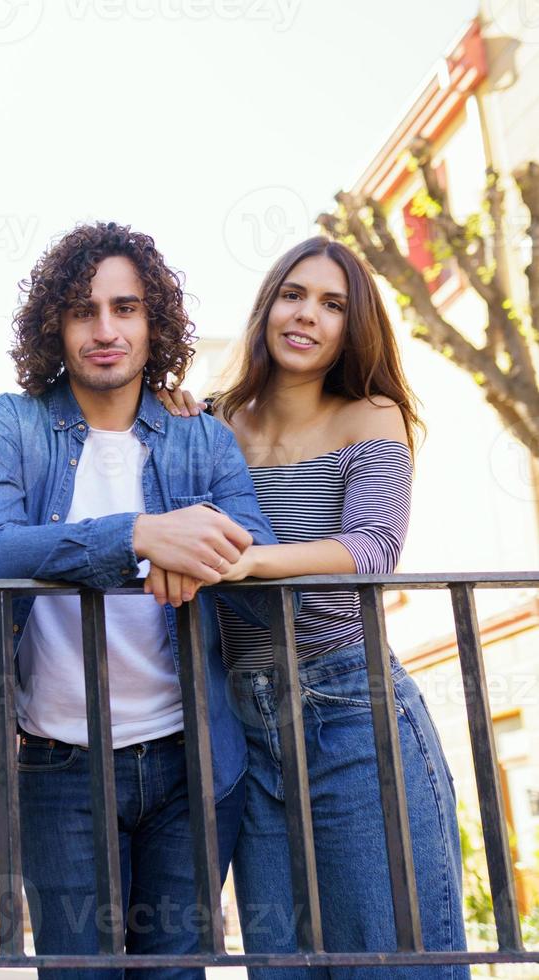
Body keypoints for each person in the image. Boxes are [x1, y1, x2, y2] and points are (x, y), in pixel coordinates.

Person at [0, 222, 281, 979]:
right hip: (58, 765)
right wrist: (139, 535)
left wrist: (195, 553)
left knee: (177, 973)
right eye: (83, 310)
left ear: (153, 321)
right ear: (55, 326)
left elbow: (255, 547)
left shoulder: (199, 435)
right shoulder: (10, 425)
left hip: (191, 760)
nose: (105, 330)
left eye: (125, 308)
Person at [157, 236, 465, 978]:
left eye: (333, 305)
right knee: (285, 965)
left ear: (352, 328)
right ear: (268, 306)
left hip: (351, 712)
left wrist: (255, 562)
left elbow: (374, 549)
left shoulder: (372, 415)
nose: (307, 315)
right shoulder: (214, 423)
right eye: (294, 294)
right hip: (245, 724)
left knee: (395, 962)